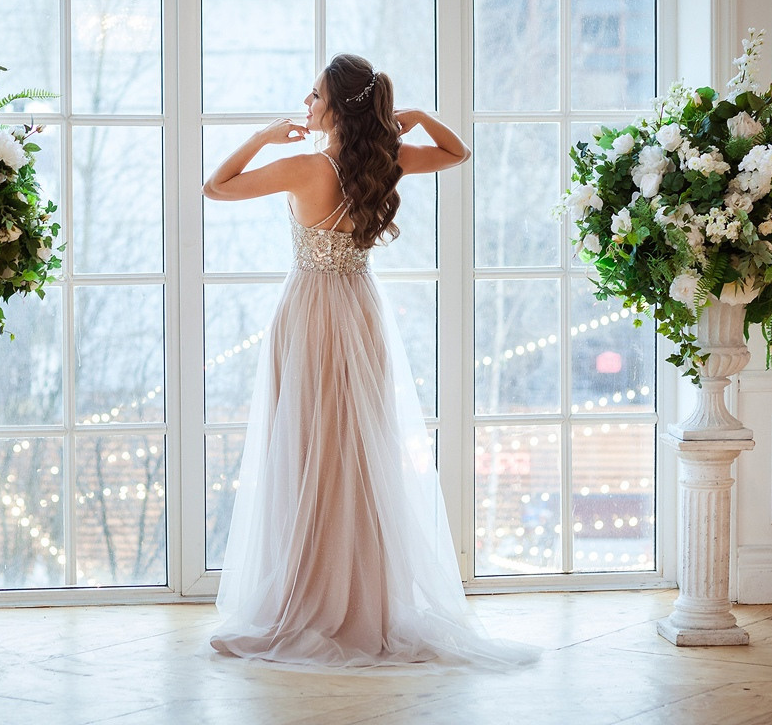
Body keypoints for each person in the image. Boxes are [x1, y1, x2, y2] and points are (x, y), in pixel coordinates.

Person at [203, 54, 538, 671]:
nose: (305, 106)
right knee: (357, 449)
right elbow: (457, 152)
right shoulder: (387, 161)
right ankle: (360, 599)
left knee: (308, 449)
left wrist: (260, 137)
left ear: (332, 106)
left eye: (312, 97)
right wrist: (417, 116)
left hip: (309, 311)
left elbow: (214, 186)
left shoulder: (305, 165)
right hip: (358, 309)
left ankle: (311, 595)